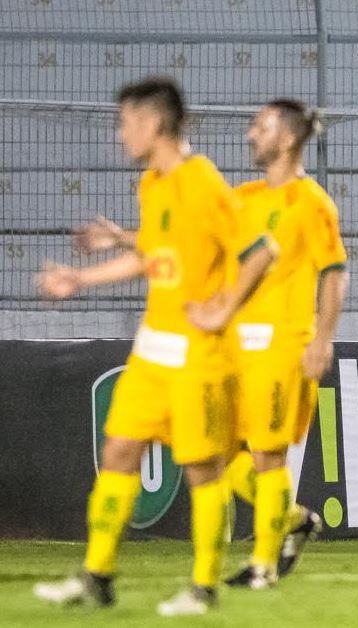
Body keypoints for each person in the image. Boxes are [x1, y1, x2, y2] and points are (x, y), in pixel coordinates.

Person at [33, 77, 275, 615]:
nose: (121, 135)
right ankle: (97, 576)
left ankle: (204, 588)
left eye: (126, 123)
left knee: (202, 472)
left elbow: (260, 251)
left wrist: (222, 308)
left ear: (154, 123)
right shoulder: (153, 184)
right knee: (119, 451)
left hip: (198, 357)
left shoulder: (201, 181)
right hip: (151, 352)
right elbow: (152, 255)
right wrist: (81, 278)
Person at [188, 100, 348, 588]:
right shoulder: (245, 198)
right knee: (212, 454)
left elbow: (334, 272)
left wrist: (323, 337)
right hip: (234, 346)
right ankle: (293, 519)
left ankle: (262, 566)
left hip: (283, 344)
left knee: (267, 455)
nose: (249, 133)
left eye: (260, 126)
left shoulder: (312, 202)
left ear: (288, 138)